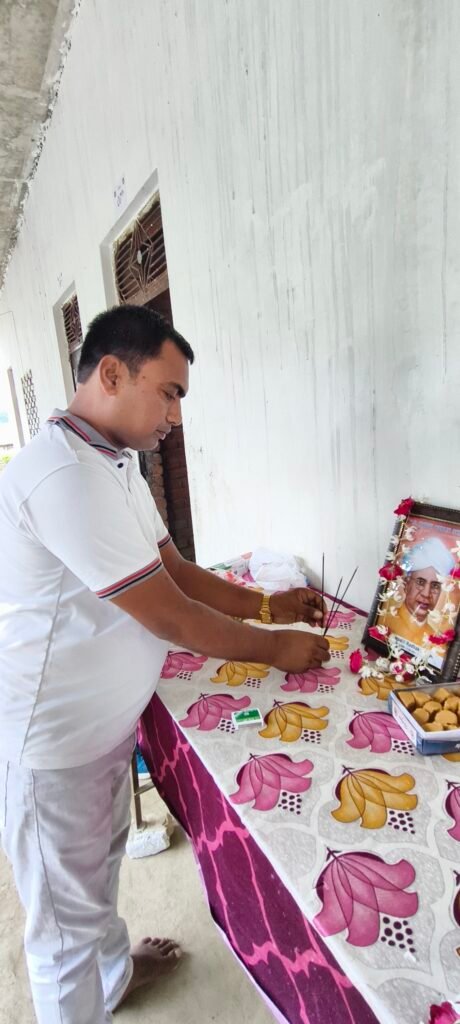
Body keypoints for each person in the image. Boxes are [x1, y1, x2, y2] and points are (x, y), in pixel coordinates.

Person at [0, 304, 330, 1024]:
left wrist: (267, 605)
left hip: (101, 730)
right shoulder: (62, 475)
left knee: (98, 871)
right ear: (112, 374)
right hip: (54, 745)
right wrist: (276, 648)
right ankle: (87, 992)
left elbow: (174, 570)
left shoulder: (114, 462)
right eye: (170, 392)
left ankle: (114, 976)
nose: (176, 417)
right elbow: (170, 614)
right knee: (61, 932)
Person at [379, 536, 455, 647]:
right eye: (420, 582)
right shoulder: (384, 624)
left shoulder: (438, 644)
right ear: (406, 584)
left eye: (435, 585)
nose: (426, 594)